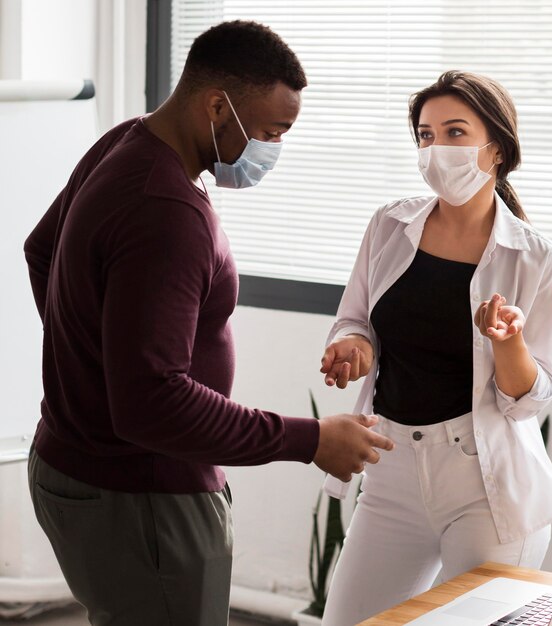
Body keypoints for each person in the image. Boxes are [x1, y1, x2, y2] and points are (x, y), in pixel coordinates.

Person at [24, 20, 393, 626]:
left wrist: (91, 370)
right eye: (271, 132)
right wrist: (313, 440)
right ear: (218, 105)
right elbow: (154, 403)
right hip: (144, 499)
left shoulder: (123, 143)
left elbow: (44, 251)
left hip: (74, 470)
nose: (272, 151)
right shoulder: (168, 212)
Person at [318, 70, 552, 625]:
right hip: (392, 469)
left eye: (455, 133)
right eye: (426, 136)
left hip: (486, 486)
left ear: (497, 149)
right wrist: (352, 344)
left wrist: (507, 343)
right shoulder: (389, 225)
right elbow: (354, 317)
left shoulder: (535, 258)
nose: (437, 149)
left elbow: (530, 400)